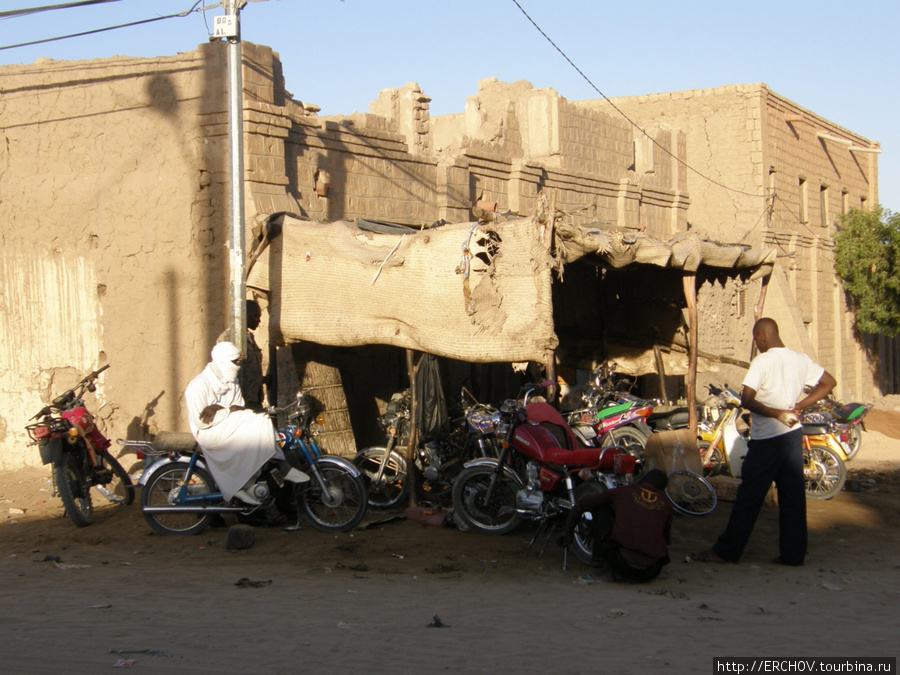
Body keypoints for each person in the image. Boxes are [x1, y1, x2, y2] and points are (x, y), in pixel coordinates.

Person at [693, 317, 836, 566]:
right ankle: (793, 555)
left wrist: (777, 413)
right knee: (792, 499)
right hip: (792, 435)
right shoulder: (800, 360)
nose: (756, 344)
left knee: (749, 497)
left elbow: (747, 399)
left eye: (755, 340)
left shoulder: (762, 361)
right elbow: (829, 383)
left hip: (768, 438)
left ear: (761, 336)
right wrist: (800, 405)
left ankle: (726, 552)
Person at [184, 341, 307, 506]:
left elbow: (239, 407)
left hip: (230, 425)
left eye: (238, 362)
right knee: (259, 420)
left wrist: (219, 408)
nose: (238, 366)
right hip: (209, 432)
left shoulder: (231, 381)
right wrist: (228, 410)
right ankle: (280, 465)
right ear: (222, 361)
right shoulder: (199, 385)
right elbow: (203, 422)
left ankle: (250, 483)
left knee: (259, 421)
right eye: (234, 362)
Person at [558, 469, 673, 582]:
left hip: (622, 564)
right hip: (651, 571)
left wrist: (568, 533)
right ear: (661, 489)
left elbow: (581, 504)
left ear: (642, 480)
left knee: (601, 508)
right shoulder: (666, 504)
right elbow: (666, 539)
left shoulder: (623, 491)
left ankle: (604, 568)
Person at [217, 299, 266, 411]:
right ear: (243, 315)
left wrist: (263, 379)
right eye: (255, 316)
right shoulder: (230, 338)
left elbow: (248, 370)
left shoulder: (250, 338)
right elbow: (225, 369)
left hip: (254, 400)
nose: (258, 320)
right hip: (239, 400)